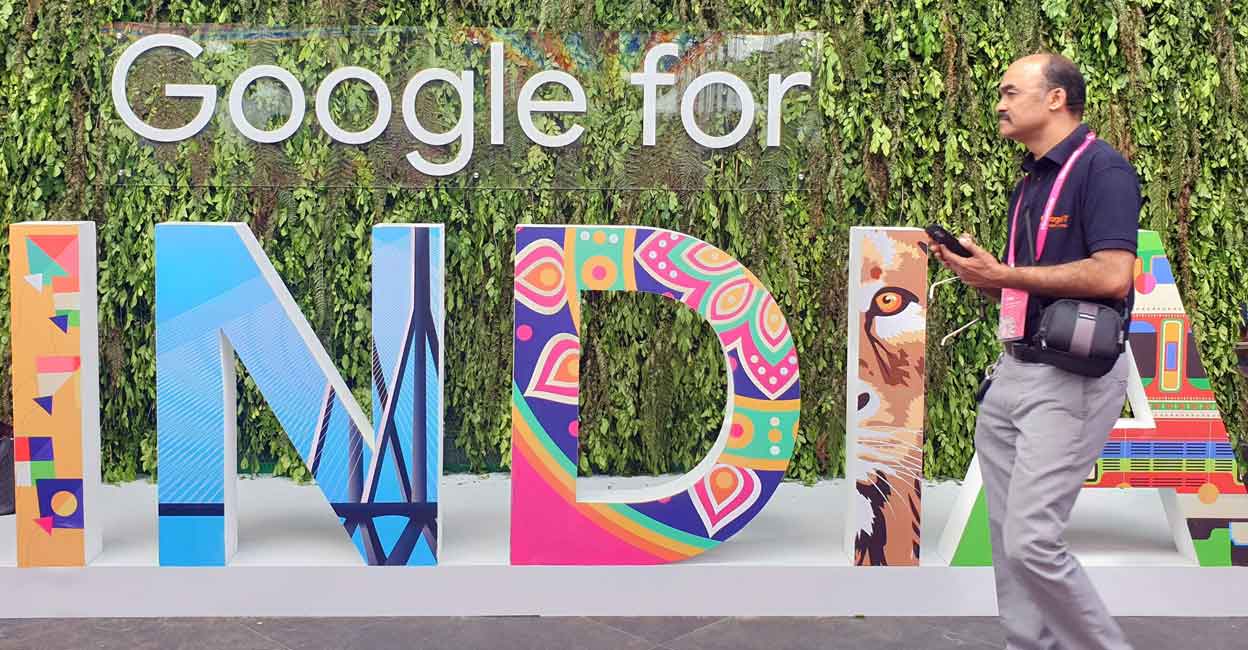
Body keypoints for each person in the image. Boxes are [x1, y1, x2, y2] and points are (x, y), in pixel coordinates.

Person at [931, 53, 1140, 650]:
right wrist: (987, 271)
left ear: (1055, 98)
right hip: (1016, 370)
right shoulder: (1033, 178)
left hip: (1071, 379)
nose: (999, 102)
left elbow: (1112, 276)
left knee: (1032, 542)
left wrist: (1007, 275)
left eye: (1010, 90)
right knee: (1007, 541)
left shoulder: (1103, 171)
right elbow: (1028, 274)